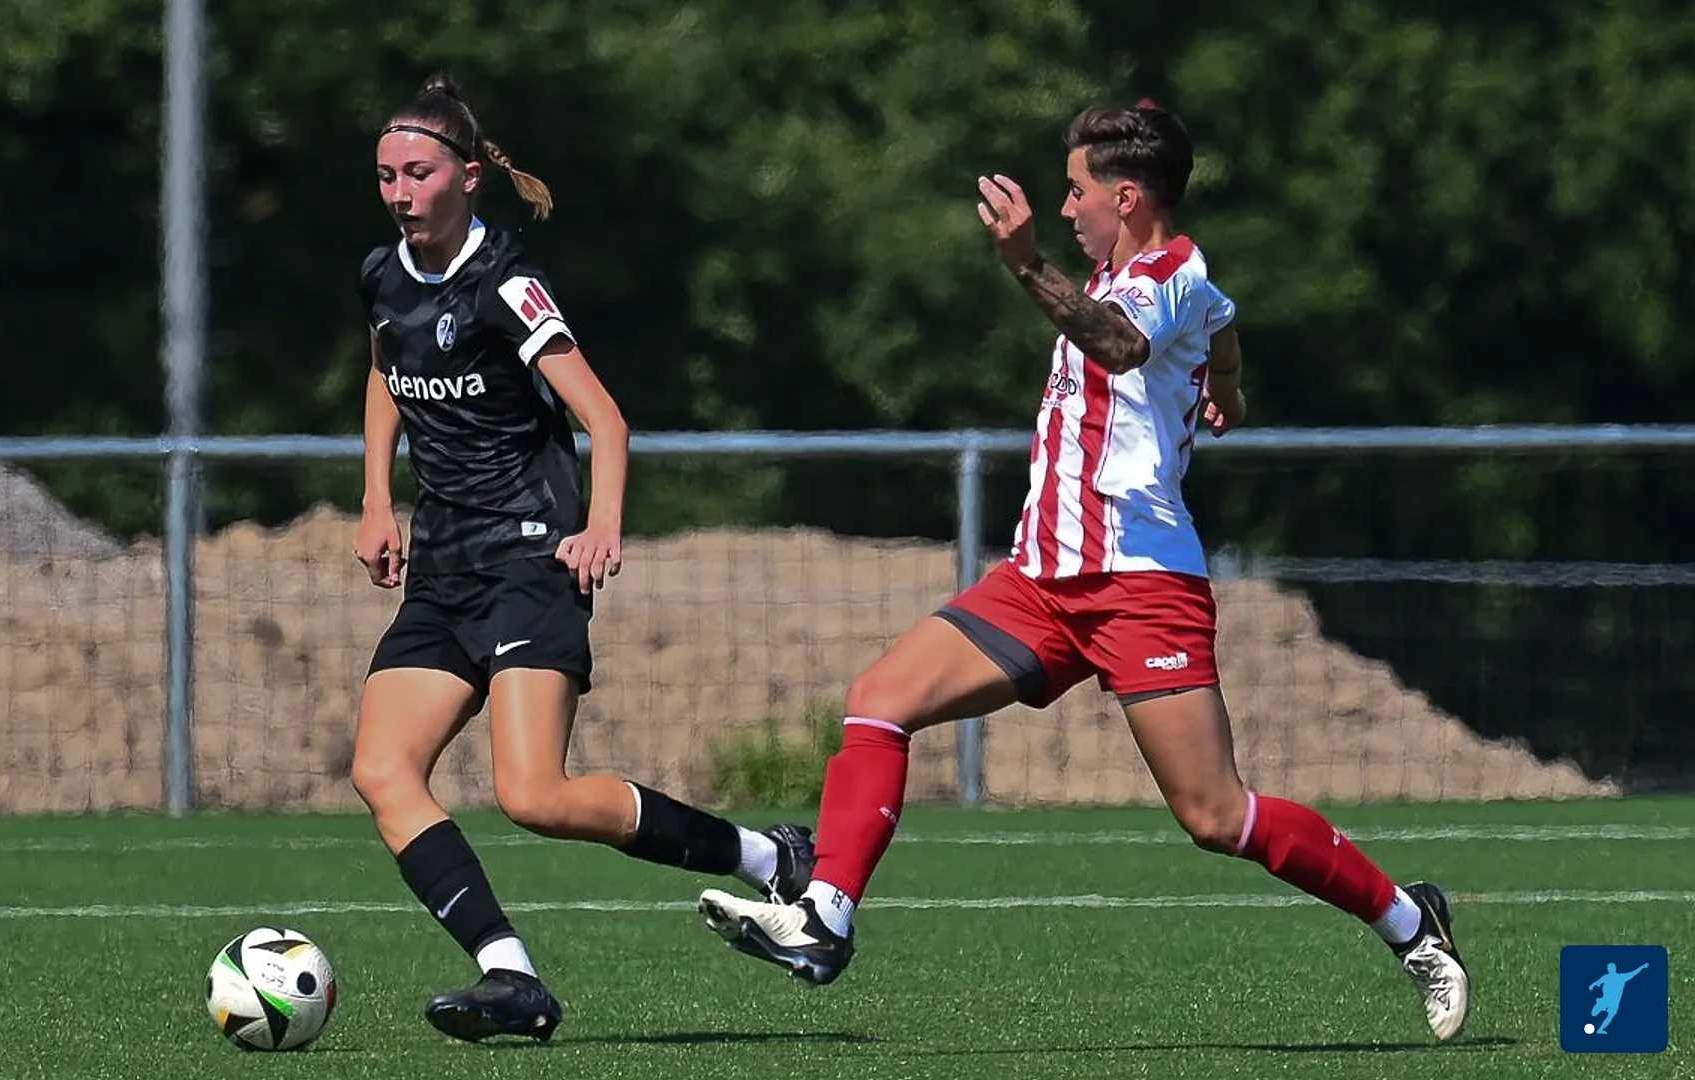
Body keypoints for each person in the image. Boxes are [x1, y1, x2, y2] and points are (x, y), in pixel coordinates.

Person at [695, 102, 1470, 1043]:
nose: (1065, 209)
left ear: (1127, 197)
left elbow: (1123, 345)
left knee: (1216, 815)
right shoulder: (1132, 278)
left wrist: (1025, 263)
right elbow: (1224, 327)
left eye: (1076, 191)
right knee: (879, 701)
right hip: (1042, 581)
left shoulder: (1169, 274)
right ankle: (825, 917)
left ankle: (1409, 921)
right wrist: (1226, 389)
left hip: (1141, 586)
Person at [350, 74, 813, 1045]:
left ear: (467, 177)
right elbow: (387, 368)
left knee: (533, 795)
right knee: (383, 769)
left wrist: (601, 525)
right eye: (387, 175)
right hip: (443, 568)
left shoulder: (505, 283)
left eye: (419, 173)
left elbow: (605, 418)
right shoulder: (383, 274)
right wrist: (375, 499)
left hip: (529, 558)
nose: (399, 192)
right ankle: (510, 976)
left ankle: (765, 857)